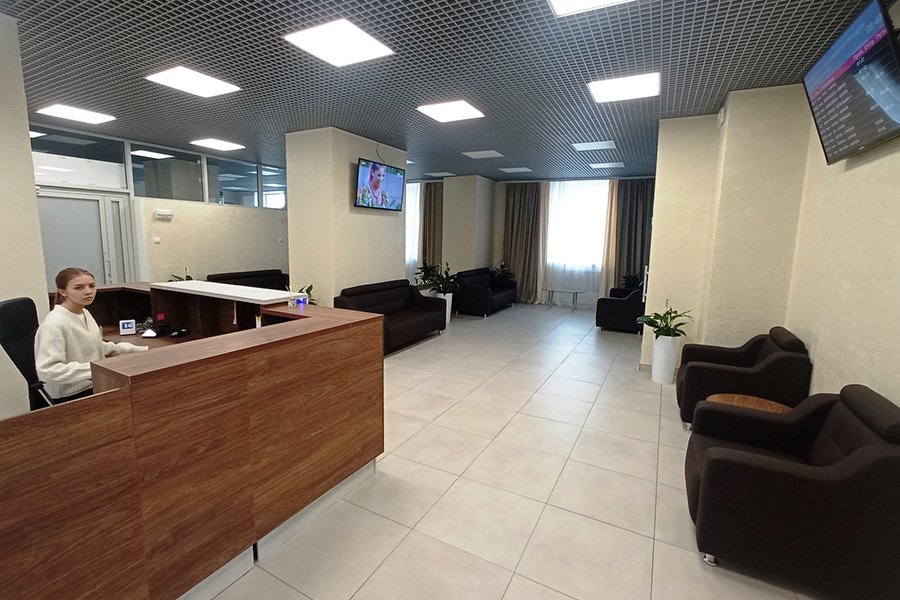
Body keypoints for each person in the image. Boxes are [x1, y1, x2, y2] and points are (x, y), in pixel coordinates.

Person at [35, 267, 148, 402]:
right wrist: (101, 369)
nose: (88, 292)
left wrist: (141, 351)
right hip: (72, 394)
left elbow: (93, 345)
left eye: (92, 286)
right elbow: (48, 370)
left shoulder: (84, 313)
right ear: (62, 291)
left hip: (94, 383)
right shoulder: (54, 324)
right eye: (78, 288)